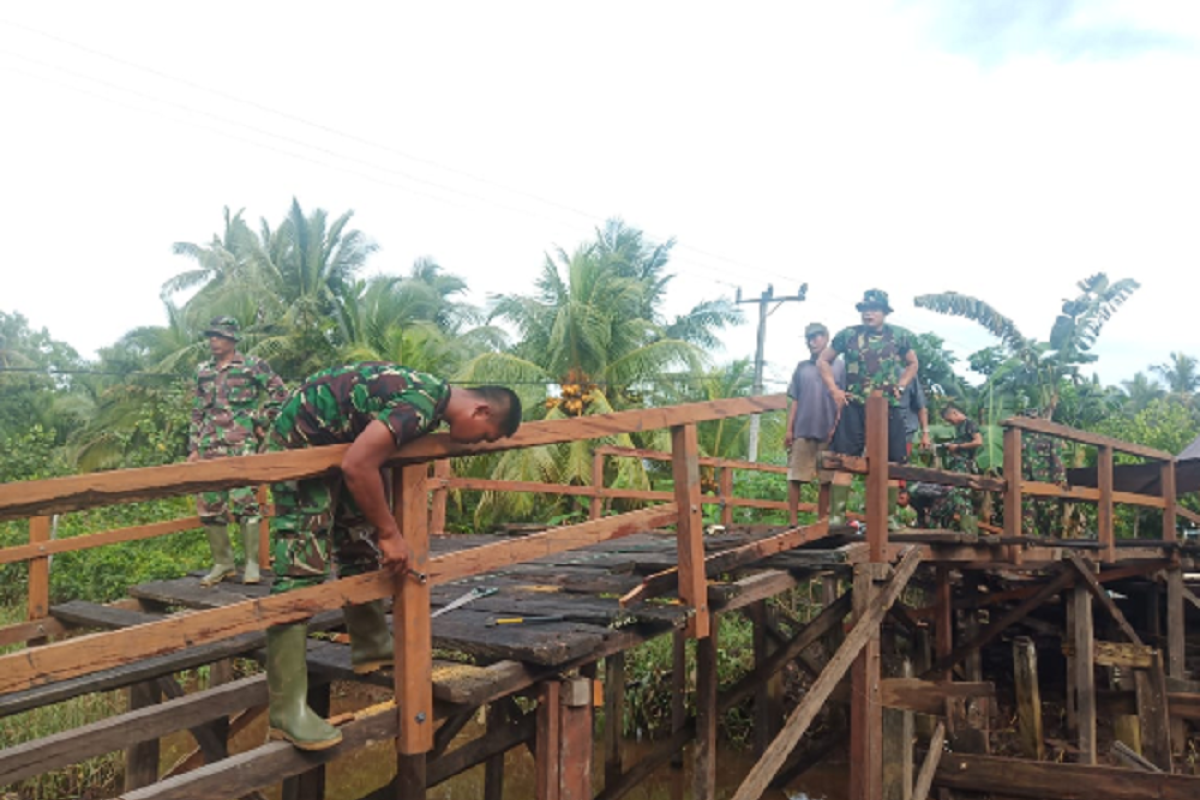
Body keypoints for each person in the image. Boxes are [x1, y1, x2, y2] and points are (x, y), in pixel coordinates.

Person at [262, 363, 522, 750]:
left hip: (334, 445)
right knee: (302, 568)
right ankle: (286, 712)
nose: (475, 444)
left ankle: (370, 645)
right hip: (299, 448)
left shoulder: (429, 400)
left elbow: (372, 454)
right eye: (484, 438)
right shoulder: (421, 402)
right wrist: (391, 533)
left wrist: (380, 523)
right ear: (480, 411)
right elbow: (358, 464)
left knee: (356, 542)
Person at [188, 316, 288, 587]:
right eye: (211, 336)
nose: (213, 341)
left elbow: (280, 393)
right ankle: (223, 563)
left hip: (240, 442)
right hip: (209, 444)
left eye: (218, 336)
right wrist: (194, 447)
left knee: (245, 502)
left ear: (232, 339)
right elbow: (198, 411)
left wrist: (260, 420)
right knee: (209, 505)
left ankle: (252, 564)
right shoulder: (203, 371)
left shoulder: (252, 365)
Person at [818, 288, 919, 531]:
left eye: (874, 309)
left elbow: (913, 363)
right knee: (844, 459)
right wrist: (834, 389)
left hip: (888, 405)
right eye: (865, 309)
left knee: (893, 462)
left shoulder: (899, 336)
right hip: (855, 404)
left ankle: (889, 518)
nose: (868, 313)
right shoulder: (848, 336)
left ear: (884, 312)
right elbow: (823, 360)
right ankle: (837, 517)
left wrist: (902, 385)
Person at [784, 322, 844, 523]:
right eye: (810, 337)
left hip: (829, 430)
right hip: (803, 428)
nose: (814, 341)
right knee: (796, 475)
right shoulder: (802, 368)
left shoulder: (840, 367)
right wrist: (789, 429)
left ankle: (821, 519)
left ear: (827, 338)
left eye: (818, 336)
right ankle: (793, 520)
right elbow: (795, 400)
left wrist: (837, 425)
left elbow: (844, 400)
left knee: (826, 478)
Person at [929, 404, 983, 532]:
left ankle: (969, 530)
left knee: (962, 496)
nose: (950, 423)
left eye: (949, 419)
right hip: (957, 464)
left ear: (954, 413)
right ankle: (958, 527)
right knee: (952, 496)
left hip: (965, 465)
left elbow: (978, 442)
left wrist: (958, 447)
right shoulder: (959, 428)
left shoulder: (969, 423)